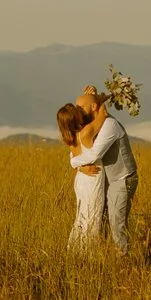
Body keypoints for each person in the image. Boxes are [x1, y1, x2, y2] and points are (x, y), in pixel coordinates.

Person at [67, 84, 137, 253]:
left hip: (121, 178)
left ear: (93, 107)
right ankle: (105, 256)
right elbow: (77, 153)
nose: (78, 111)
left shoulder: (110, 125)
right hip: (106, 179)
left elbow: (93, 155)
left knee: (116, 222)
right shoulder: (95, 124)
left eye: (81, 107)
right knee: (102, 220)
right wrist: (79, 167)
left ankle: (123, 262)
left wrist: (76, 164)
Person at [56, 102, 107, 251]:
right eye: (78, 110)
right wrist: (97, 98)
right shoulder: (86, 132)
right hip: (92, 179)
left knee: (82, 216)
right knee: (92, 217)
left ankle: (74, 249)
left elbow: (75, 159)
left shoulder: (69, 139)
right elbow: (103, 113)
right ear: (75, 118)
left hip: (81, 178)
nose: (81, 111)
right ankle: (87, 253)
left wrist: (79, 166)